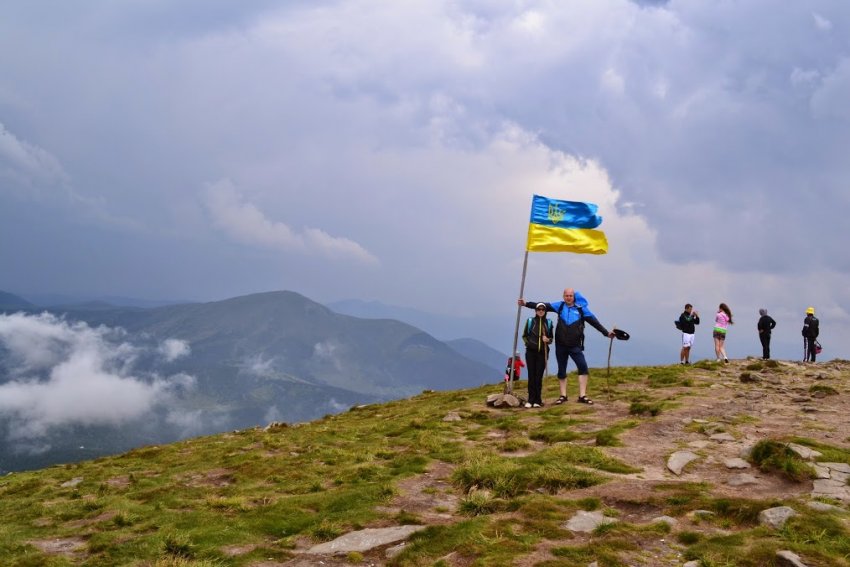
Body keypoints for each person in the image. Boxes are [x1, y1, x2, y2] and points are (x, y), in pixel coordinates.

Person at [519, 288, 615, 405]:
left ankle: (582, 395)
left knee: (583, 367)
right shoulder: (560, 306)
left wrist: (606, 333)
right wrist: (526, 304)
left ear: (574, 297)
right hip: (561, 345)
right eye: (566, 295)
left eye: (570, 295)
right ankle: (563, 396)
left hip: (575, 345)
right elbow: (543, 305)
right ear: (563, 296)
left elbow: (594, 322)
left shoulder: (581, 309)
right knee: (561, 370)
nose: (568, 297)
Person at [521, 303, 553, 408]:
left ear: (545, 311)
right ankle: (530, 400)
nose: (540, 311)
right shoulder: (530, 321)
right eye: (538, 309)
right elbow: (524, 335)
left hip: (542, 353)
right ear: (535, 310)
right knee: (531, 375)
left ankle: (537, 400)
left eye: (543, 309)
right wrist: (528, 344)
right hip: (530, 352)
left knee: (538, 376)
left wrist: (547, 340)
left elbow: (551, 338)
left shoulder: (548, 323)